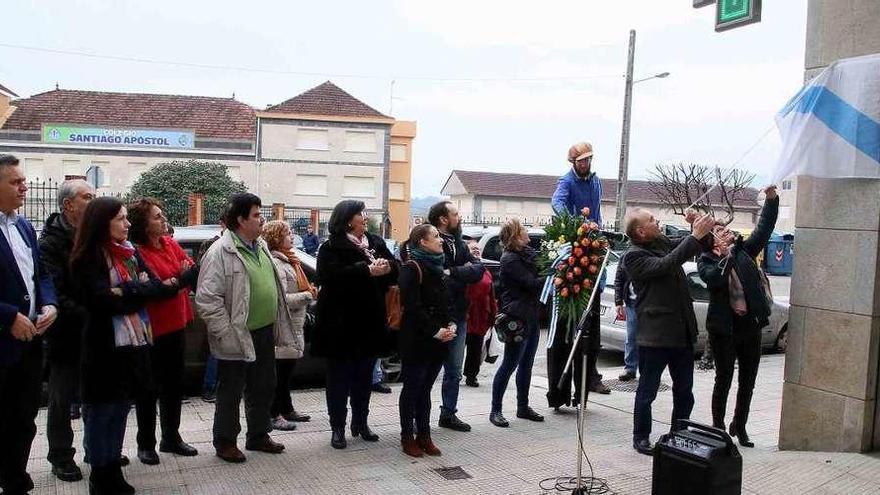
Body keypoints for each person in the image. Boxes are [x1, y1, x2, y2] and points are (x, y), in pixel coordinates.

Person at [70, 196, 179, 494]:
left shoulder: (130, 253)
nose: (127, 223)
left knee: (120, 409)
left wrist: (125, 290)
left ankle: (113, 471)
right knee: (102, 411)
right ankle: (100, 474)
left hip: (133, 346)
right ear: (101, 223)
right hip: (103, 349)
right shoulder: (88, 257)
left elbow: (156, 287)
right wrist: (133, 292)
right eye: (120, 218)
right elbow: (100, 301)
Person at [196, 193, 301, 463]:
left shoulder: (261, 246)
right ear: (241, 220)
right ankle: (225, 442)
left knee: (264, 385)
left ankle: (258, 435)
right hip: (236, 335)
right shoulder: (220, 252)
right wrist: (227, 334)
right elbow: (207, 300)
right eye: (256, 215)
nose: (261, 219)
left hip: (264, 330)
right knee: (231, 391)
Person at [622, 207, 715, 455]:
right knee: (647, 391)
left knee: (684, 391)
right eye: (652, 220)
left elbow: (699, 245)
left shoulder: (661, 240)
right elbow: (666, 264)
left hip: (682, 332)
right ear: (641, 231)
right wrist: (694, 237)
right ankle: (641, 436)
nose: (658, 221)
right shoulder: (633, 256)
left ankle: (679, 433)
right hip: (655, 336)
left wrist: (700, 226)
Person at [313, 200, 398, 449]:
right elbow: (327, 277)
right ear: (348, 219)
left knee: (364, 377)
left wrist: (386, 268)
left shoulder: (375, 242)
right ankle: (337, 426)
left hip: (370, 322)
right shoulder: (331, 247)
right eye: (361, 213)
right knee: (339, 379)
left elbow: (395, 268)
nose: (365, 217)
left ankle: (361, 422)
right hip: (340, 324)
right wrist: (365, 270)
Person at [698, 186, 779, 448]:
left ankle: (740, 425)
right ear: (712, 241)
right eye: (721, 232)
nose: (728, 234)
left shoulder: (744, 252)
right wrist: (727, 257)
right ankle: (718, 427)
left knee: (748, 381)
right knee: (723, 380)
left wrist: (771, 200)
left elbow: (764, 228)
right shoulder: (707, 261)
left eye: (727, 230)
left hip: (750, 327)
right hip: (724, 330)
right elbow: (715, 279)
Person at [0, 154, 58, 495]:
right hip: (3, 340)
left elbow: (41, 274)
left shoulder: (22, 225)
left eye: (23, 181)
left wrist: (49, 303)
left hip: (31, 340)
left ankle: (15, 478)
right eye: (15, 182)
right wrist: (8, 316)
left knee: (24, 417)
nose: (24, 186)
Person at [128, 198, 200, 464]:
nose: (162, 219)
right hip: (152, 329)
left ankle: (172, 437)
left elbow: (193, 271)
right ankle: (145, 443)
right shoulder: (136, 252)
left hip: (177, 323)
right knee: (147, 388)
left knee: (173, 384)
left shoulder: (169, 243)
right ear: (144, 225)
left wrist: (176, 282)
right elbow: (155, 291)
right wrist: (177, 282)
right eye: (156, 216)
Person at [547, 142, 610, 409]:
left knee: (591, 328)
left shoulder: (595, 182)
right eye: (581, 160)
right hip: (574, 248)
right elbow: (557, 203)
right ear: (573, 162)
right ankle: (559, 392)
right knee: (566, 331)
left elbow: (597, 212)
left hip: (593, 248)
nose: (585, 164)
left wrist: (597, 232)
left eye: (589, 159)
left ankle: (588, 379)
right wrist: (577, 225)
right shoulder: (566, 181)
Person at [39, 179, 94, 483]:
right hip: (66, 334)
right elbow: (55, 291)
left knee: (94, 395)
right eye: (88, 197)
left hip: (94, 333)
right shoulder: (51, 243)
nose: (93, 201)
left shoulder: (92, 235)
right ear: (68, 205)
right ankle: (60, 457)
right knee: (62, 399)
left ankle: (95, 448)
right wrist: (90, 313)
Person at [397, 224, 455, 457]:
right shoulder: (412, 268)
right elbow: (412, 307)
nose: (440, 240)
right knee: (412, 389)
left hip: (437, 341)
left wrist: (451, 323)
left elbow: (445, 301)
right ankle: (407, 437)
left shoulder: (438, 265)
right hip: (417, 340)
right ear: (422, 241)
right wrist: (434, 330)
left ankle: (424, 435)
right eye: (435, 236)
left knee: (426, 390)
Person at [428, 201, 485, 432]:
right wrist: (458, 274)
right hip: (436, 316)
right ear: (443, 219)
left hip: (459, 314)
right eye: (455, 214)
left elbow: (478, 269)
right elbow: (435, 276)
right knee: (428, 369)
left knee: (454, 370)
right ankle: (417, 415)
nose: (459, 217)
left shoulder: (459, 244)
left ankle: (448, 414)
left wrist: (452, 272)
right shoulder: (428, 240)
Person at [490, 219, 546, 427]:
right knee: (510, 364)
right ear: (515, 236)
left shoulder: (526, 255)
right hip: (516, 317)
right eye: (524, 232)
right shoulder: (510, 259)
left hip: (530, 315)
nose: (528, 236)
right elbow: (531, 283)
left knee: (527, 365)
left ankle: (523, 406)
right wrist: (551, 276)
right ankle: (495, 409)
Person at [261, 220, 315, 431]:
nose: (292, 236)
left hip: (294, 324)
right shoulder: (278, 263)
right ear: (276, 238)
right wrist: (307, 295)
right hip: (285, 326)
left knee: (287, 371)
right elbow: (282, 299)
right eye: (287, 233)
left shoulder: (291, 260)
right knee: (280, 373)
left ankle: (287, 408)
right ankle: (275, 413)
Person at [463, 242, 497, 388]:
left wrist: (493, 313)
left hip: (481, 314)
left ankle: (471, 375)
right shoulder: (464, 269)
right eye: (472, 248)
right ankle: (454, 373)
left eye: (478, 248)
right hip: (466, 313)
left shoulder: (485, 271)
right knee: (459, 346)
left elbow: (491, 292)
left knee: (475, 347)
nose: (476, 250)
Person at [614, 263, 638, 381]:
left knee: (649, 338)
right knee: (631, 337)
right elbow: (619, 279)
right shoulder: (626, 256)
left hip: (649, 302)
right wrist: (618, 302)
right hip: (632, 303)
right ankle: (630, 368)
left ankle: (647, 370)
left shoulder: (653, 251)